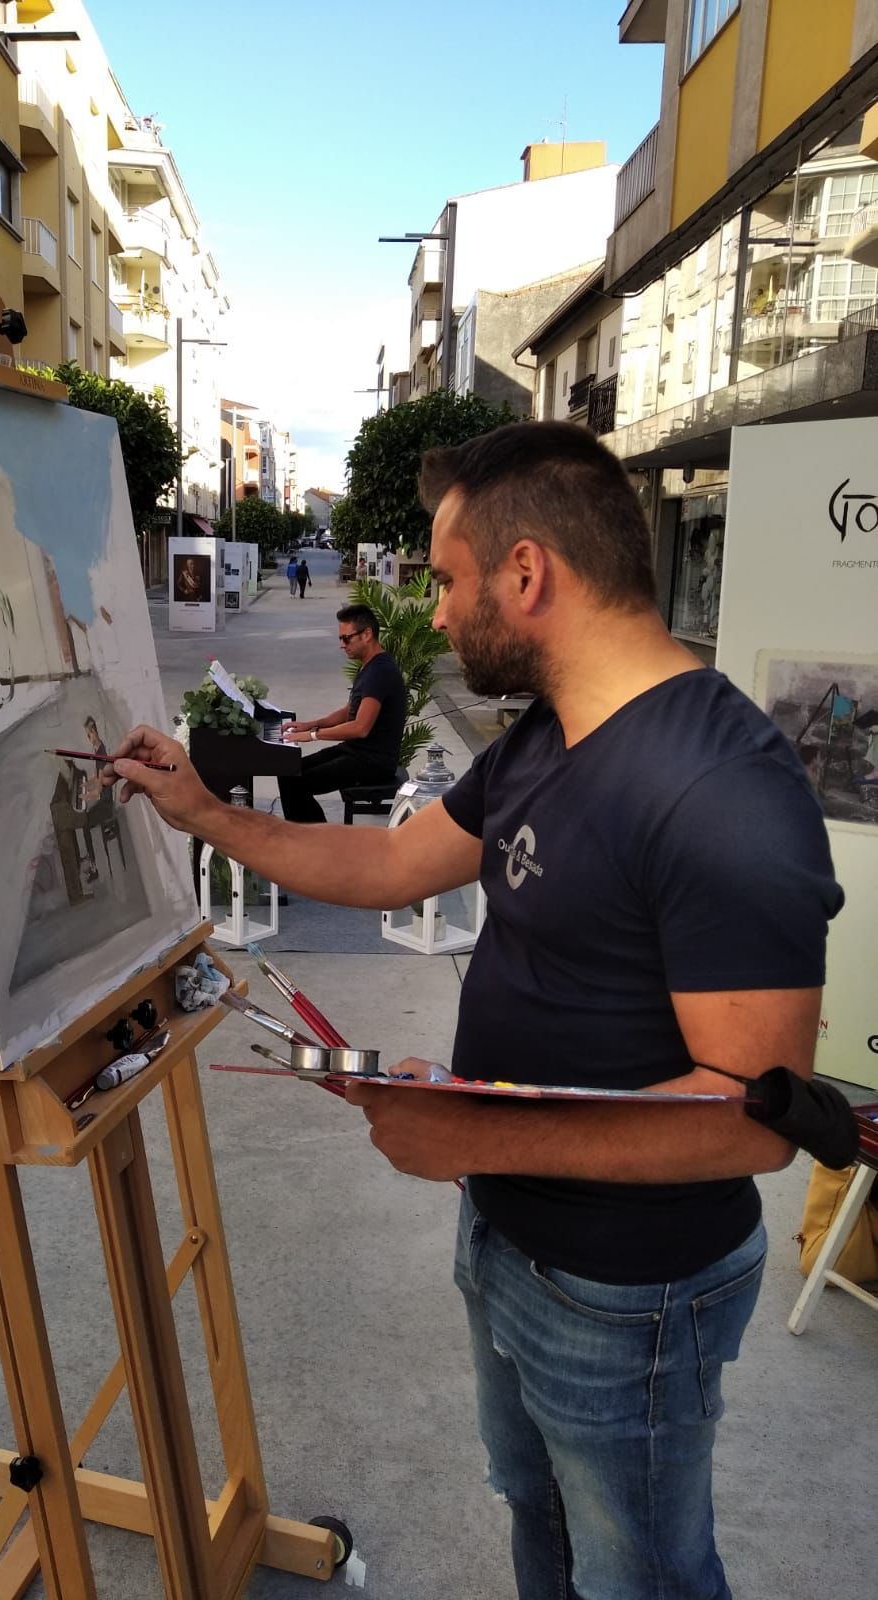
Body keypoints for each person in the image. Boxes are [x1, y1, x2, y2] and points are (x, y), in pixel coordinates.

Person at [101, 421, 842, 1600]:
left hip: (624, 1296)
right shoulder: (546, 740)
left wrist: (466, 1136)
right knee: (536, 1524)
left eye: (446, 580)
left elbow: (751, 1117)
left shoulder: (720, 787)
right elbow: (393, 865)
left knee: (640, 1576)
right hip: (508, 1240)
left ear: (526, 572)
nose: (433, 614)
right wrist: (201, 812)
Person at [272, 603, 407, 824]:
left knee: (295, 782)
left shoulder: (380, 671)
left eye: (346, 638)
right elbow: (349, 711)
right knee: (288, 770)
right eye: (340, 639)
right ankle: (309, 839)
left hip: (372, 762)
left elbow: (360, 728)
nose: (341, 645)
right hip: (356, 752)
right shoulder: (370, 666)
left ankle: (318, 844)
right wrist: (312, 724)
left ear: (367, 634)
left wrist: (313, 736)